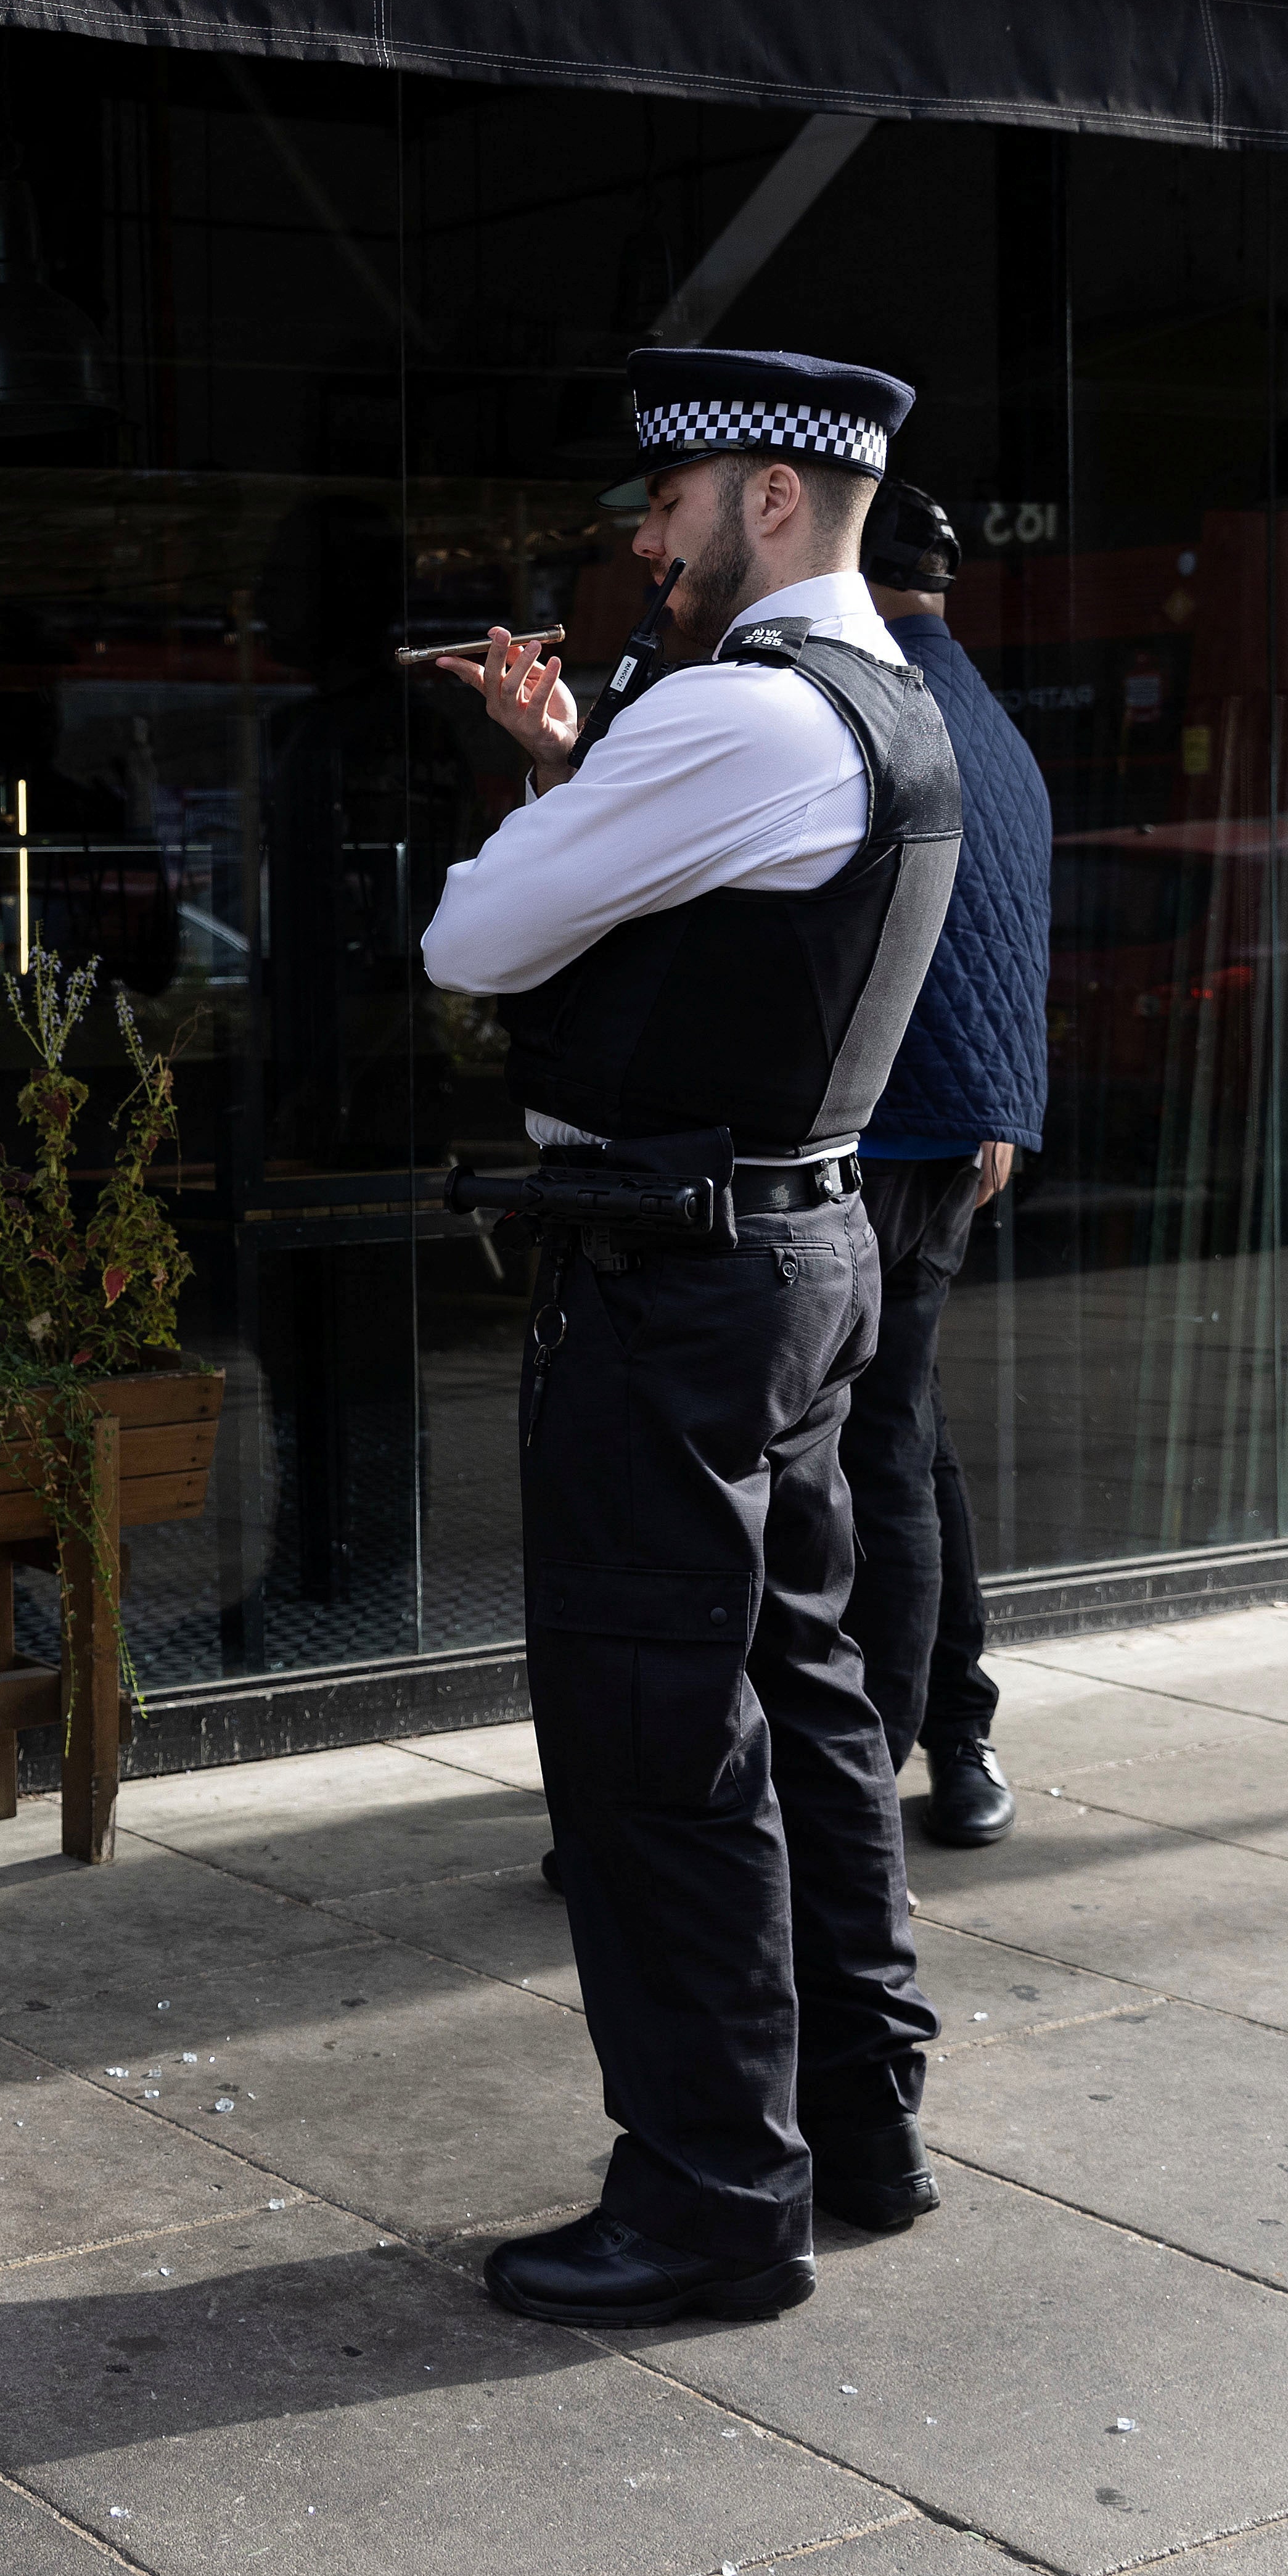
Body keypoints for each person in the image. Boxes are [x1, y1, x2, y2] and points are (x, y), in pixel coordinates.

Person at [421, 348, 963, 2329]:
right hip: (795, 1253)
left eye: (665, 501)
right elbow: (717, 937)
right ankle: (855, 2123)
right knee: (800, 1698)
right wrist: (582, 775)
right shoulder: (875, 706)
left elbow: (465, 941)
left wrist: (557, 798)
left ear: (764, 501)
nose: (636, 538)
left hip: (675, 1284)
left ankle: (711, 2198)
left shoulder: (732, 713)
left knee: (654, 1747)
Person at [845, 484, 1048, 1849]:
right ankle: (953, 1730)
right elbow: (1014, 922)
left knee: (858, 1466)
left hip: (867, 1142)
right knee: (905, 1445)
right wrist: (1002, 1108)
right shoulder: (994, 723)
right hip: (949, 1137)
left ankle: (857, 1763)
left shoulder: (870, 715)